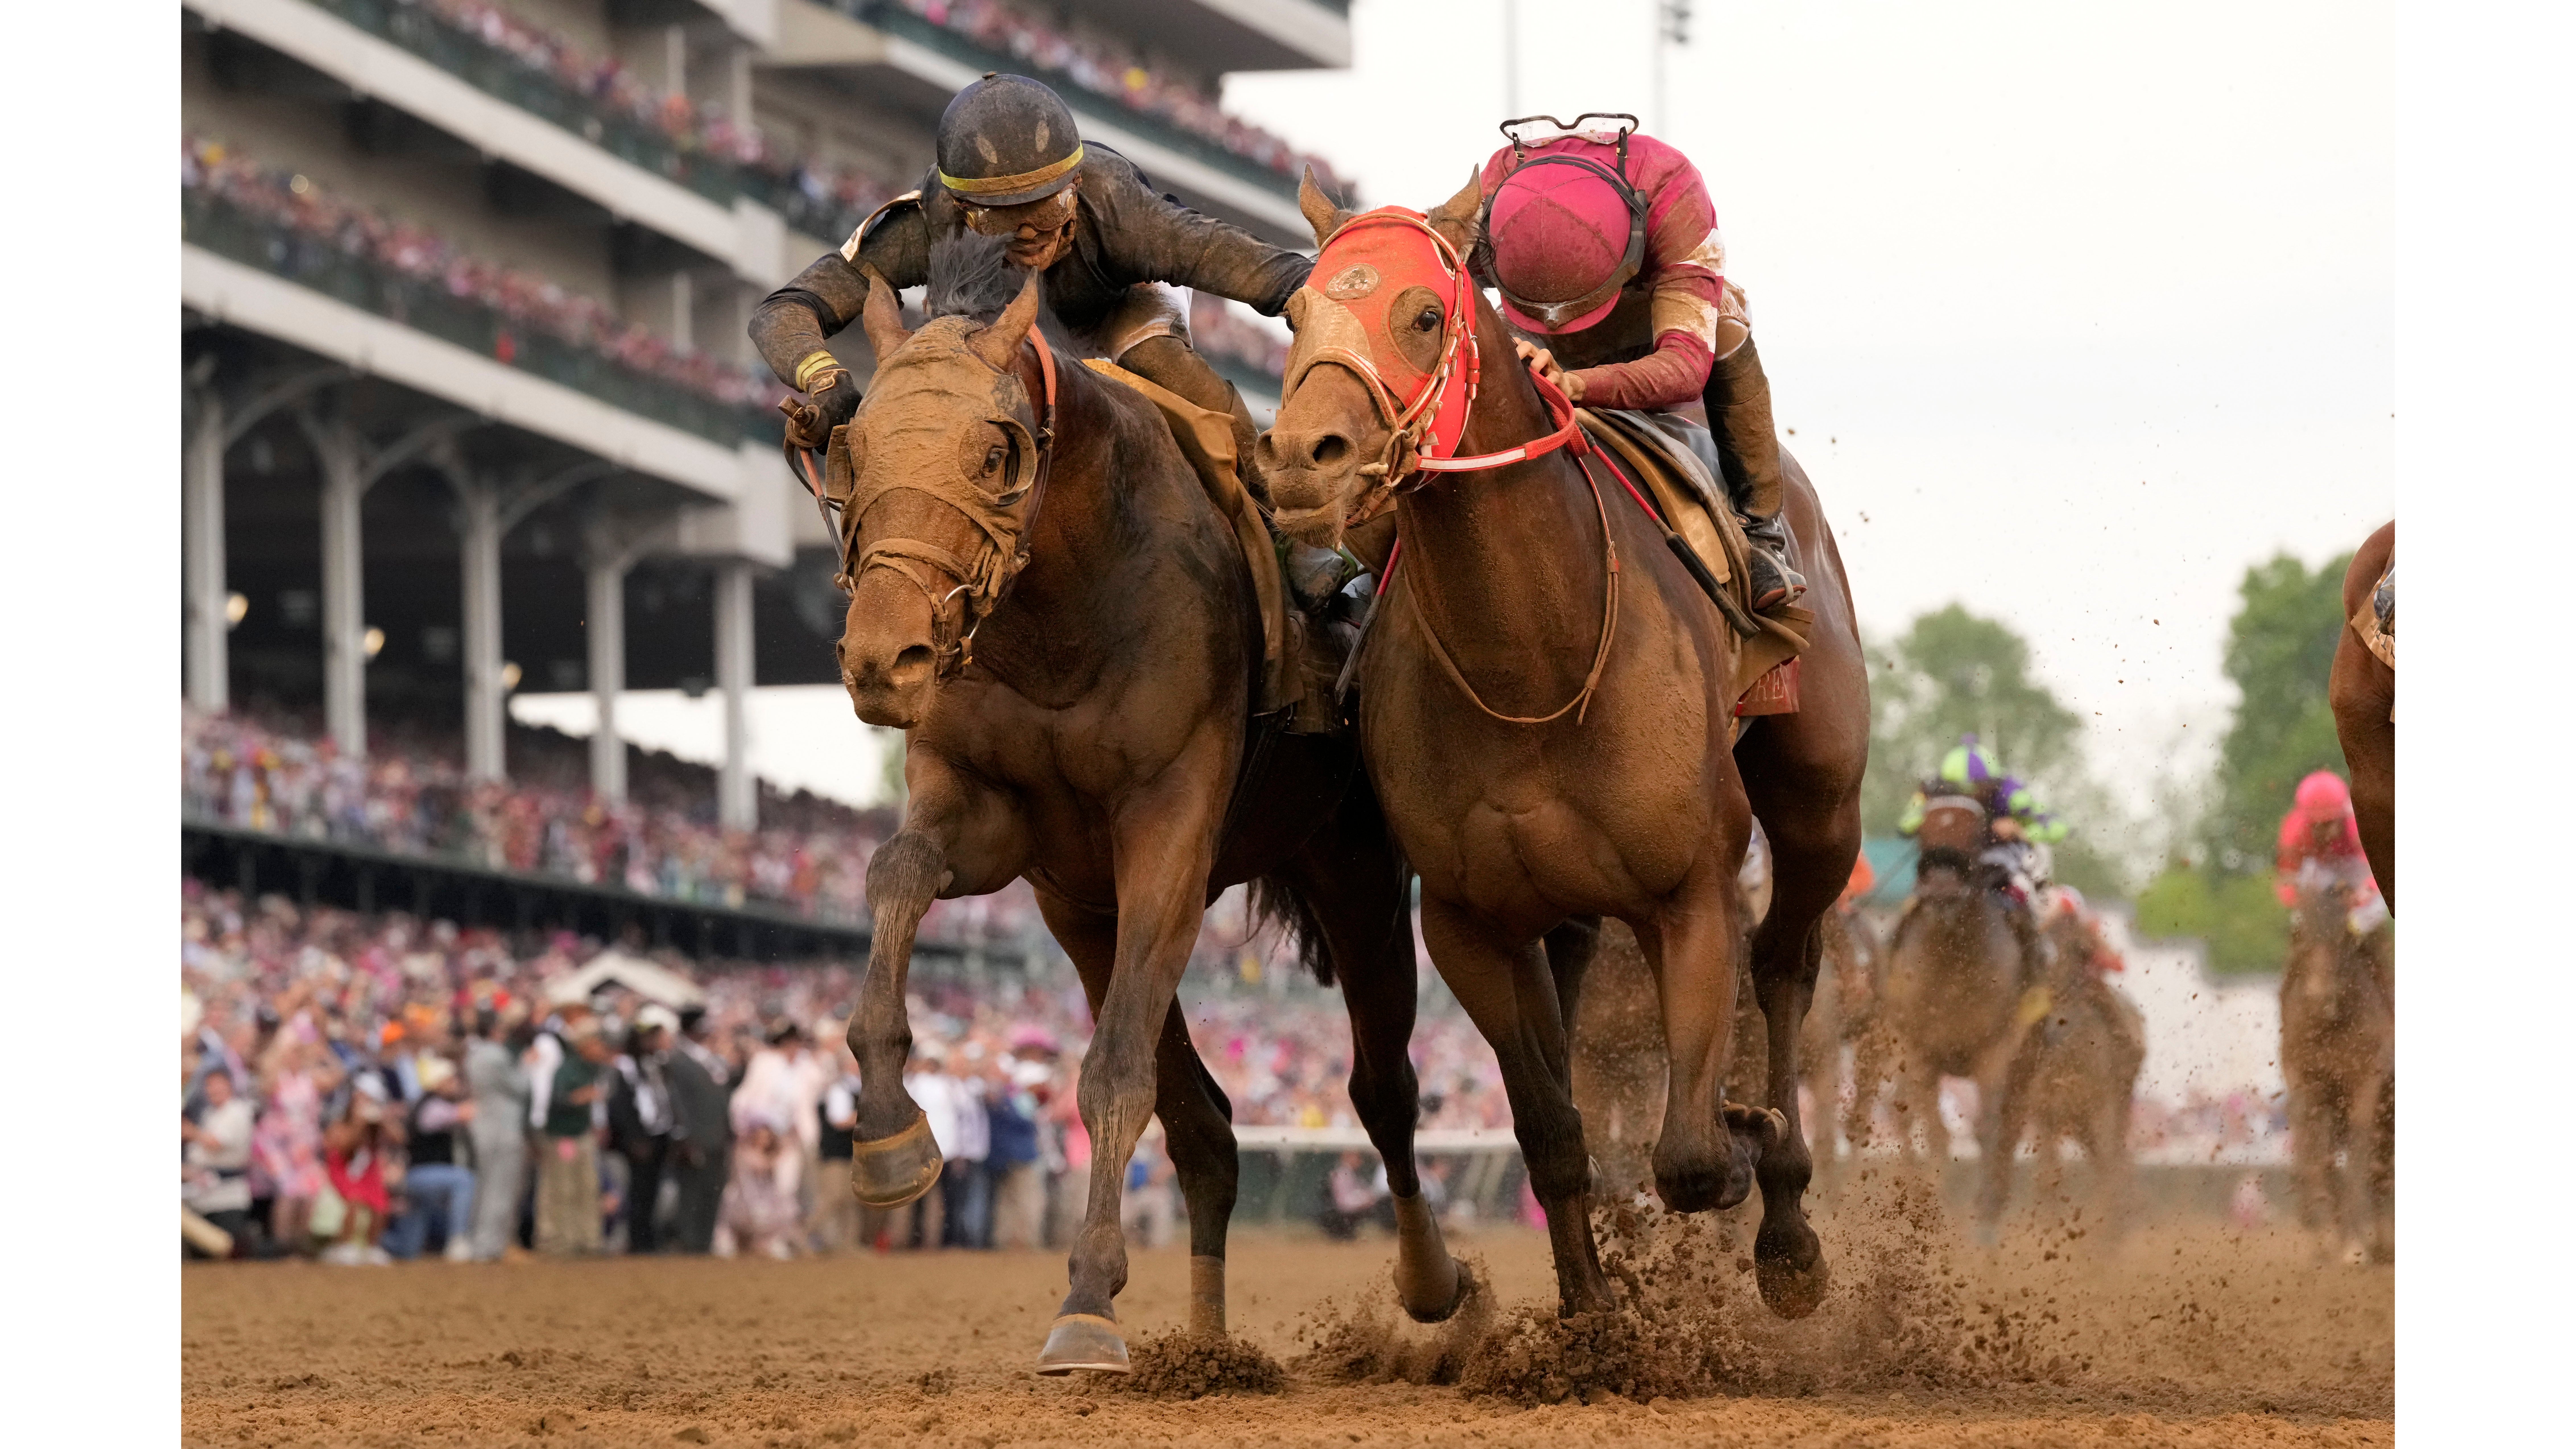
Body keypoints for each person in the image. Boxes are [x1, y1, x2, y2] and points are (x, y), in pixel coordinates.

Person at [749, 73, 1311, 500]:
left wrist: (1322, 310)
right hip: (995, 339)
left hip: (1118, 308)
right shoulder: (925, 225)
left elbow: (1267, 275)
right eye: (999, 218)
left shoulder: (1121, 211)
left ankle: (1277, 516)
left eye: (1047, 208)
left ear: (1077, 187)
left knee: (1166, 365)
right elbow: (784, 312)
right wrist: (826, 381)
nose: (1027, 234)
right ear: (963, 210)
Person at [1473, 113, 1802, 608]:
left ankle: (1760, 530)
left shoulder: (1674, 192)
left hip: (1647, 315)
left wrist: (1577, 384)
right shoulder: (1491, 191)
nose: (1564, 326)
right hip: (1523, 321)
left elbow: (1686, 367)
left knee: (1728, 322)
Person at [1897, 734, 2068, 974]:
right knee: (1918, 898)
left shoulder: (2012, 792)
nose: (1970, 795)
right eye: (1959, 789)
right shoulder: (1931, 790)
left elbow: (2058, 827)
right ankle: (1889, 960)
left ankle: (2036, 958)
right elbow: (1905, 825)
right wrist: (1926, 819)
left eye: (1979, 789)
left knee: (2021, 891)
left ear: (1991, 784)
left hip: (2000, 856)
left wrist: (2020, 830)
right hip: (1954, 859)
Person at [385, 1054, 477, 1261]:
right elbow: (465, 1113)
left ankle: (381, 1244)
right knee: (466, 1181)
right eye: (450, 1080)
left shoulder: (429, 1103)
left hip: (425, 1179)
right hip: (420, 1176)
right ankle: (458, 1240)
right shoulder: (432, 1106)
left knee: (407, 1249)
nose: (455, 1084)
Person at [2275, 770, 2389, 936]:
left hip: (2356, 866)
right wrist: (2305, 903)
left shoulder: (2358, 824)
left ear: (2343, 816)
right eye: (2316, 825)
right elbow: (2286, 878)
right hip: (2320, 869)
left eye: (2329, 823)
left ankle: (2355, 936)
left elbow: (2383, 871)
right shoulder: (2294, 833)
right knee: (2299, 921)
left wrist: (2364, 893)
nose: (2324, 832)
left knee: (2376, 912)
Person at [461, 1005, 532, 1262]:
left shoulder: (474, 1055)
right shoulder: (498, 1056)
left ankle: (480, 1243)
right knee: (500, 1191)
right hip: (504, 1129)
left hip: (483, 1127)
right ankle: (490, 1247)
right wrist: (527, 1066)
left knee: (485, 1187)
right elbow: (521, 1088)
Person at [534, 1017, 609, 1256]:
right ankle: (556, 1240)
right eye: (597, 1043)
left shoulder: (592, 1069)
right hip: (562, 1137)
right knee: (560, 1189)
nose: (602, 1049)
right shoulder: (567, 1070)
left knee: (587, 1188)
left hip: (582, 1134)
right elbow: (556, 1102)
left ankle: (587, 1240)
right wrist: (580, 1098)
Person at [607, 1006, 679, 1254]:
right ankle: (637, 1240)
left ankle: (648, 1239)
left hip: (659, 1134)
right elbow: (621, 1107)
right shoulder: (626, 1066)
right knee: (638, 1191)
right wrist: (635, 1138)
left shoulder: (655, 1064)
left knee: (653, 1192)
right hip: (639, 1138)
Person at [663, 1006, 734, 1254]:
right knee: (691, 1192)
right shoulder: (677, 1060)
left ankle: (703, 1241)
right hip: (696, 1138)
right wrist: (685, 1137)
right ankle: (687, 1241)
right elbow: (677, 1102)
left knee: (712, 1191)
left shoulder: (710, 1058)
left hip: (717, 1137)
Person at [984, 1029, 1053, 1250]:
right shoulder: (1013, 1098)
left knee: (1008, 1203)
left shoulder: (1006, 1097)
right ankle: (1023, 1243)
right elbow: (1024, 1123)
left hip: (1006, 1157)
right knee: (1026, 1203)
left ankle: (1008, 1242)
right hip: (1021, 1156)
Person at [182, 1068, 257, 1257]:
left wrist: (189, 1131)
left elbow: (215, 1143)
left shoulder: (238, 1111)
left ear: (229, 1086)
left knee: (227, 1251)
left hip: (227, 1195)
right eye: (209, 1085)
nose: (213, 1090)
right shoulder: (210, 1113)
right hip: (202, 1192)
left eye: (218, 1085)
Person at [318, 1085, 396, 1265]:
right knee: (354, 1201)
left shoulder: (375, 1128)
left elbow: (400, 1138)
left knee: (381, 1206)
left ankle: (372, 1248)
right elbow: (343, 1148)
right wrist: (359, 1125)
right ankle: (345, 1247)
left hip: (368, 1175)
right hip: (343, 1172)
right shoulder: (340, 1125)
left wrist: (384, 1121)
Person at [813, 1043, 866, 1253]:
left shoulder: (855, 1088)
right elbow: (839, 1120)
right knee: (833, 1198)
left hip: (851, 1153)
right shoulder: (839, 1089)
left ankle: (849, 1244)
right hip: (836, 1153)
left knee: (851, 1201)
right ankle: (804, 1234)